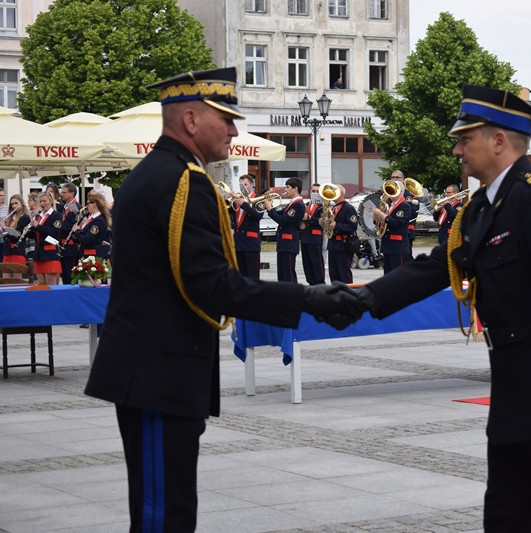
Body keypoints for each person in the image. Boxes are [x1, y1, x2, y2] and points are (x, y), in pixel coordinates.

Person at [83, 67, 361, 532]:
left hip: (158, 370)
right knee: (162, 517)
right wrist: (312, 298)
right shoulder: (181, 181)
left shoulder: (163, 173)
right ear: (191, 119)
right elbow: (212, 285)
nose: (234, 130)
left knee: (170, 509)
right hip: (158, 373)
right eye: (226, 119)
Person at [356, 85, 531, 532]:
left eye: (466, 139)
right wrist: (362, 298)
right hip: (515, 396)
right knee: (505, 521)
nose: (458, 148)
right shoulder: (483, 206)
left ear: (498, 141)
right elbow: (437, 266)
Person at [263, 177, 304, 282]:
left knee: (288, 275)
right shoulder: (291, 204)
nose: (285, 190)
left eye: (287, 187)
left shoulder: (298, 205)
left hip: (289, 243)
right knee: (282, 274)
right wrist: (270, 203)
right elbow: (278, 213)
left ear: (295, 189)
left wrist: (269, 208)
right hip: (284, 243)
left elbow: (282, 221)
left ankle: (293, 295)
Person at [370, 184, 410, 274]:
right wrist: (376, 219)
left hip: (397, 246)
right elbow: (383, 223)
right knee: (388, 276)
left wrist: (381, 214)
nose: (389, 194)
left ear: (399, 191)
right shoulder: (390, 205)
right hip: (388, 245)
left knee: (398, 276)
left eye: (392, 191)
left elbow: (396, 223)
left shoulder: (404, 206)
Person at [229, 173, 262, 278]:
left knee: (252, 275)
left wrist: (244, 204)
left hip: (251, 242)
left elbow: (258, 216)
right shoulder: (237, 199)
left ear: (252, 185)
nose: (243, 187)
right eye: (241, 185)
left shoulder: (258, 199)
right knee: (240, 275)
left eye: (245, 184)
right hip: (238, 242)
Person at [326, 184, 358, 283]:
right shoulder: (333, 208)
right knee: (333, 274)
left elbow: (353, 226)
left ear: (341, 193)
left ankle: (348, 296)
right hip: (333, 245)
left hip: (343, 246)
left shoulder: (348, 208)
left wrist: (337, 226)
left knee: (344, 274)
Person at [30, 191, 62, 286]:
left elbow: (55, 233)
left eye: (44, 201)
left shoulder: (56, 215)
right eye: (41, 201)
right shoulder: (39, 216)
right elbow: (36, 234)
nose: (42, 204)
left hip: (50, 253)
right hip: (39, 253)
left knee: (51, 284)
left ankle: (53, 301)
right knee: (41, 284)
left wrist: (38, 226)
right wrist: (29, 231)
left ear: (51, 201)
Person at [71, 192, 112, 259]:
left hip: (92, 255)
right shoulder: (91, 218)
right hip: (86, 253)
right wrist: (77, 234)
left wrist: (77, 231)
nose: (87, 206)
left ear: (95, 204)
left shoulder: (98, 220)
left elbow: (87, 239)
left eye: (88, 203)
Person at [1, 193, 31, 278]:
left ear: (21, 203)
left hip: (18, 251)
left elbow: (16, 237)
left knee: (16, 279)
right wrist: (2, 231)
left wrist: (4, 227)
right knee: (6, 279)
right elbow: (8, 235)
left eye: (16, 203)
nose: (14, 206)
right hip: (7, 251)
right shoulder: (11, 218)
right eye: (12, 204)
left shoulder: (25, 217)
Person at [301, 183, 325, 284]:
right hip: (305, 237)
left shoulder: (322, 206)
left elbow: (323, 222)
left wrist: (310, 219)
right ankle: (310, 282)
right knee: (307, 263)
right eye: (313, 191)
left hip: (315, 237)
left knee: (317, 263)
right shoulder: (306, 205)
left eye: (317, 191)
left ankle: (319, 283)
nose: (315, 193)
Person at [391, 170, 418, 261]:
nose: (395, 179)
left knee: (406, 257)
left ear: (403, 180)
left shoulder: (408, 193)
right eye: (393, 177)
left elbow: (413, 212)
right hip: (391, 230)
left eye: (397, 177)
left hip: (406, 229)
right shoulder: (389, 193)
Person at [59, 182, 83, 284]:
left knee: (70, 273)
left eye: (64, 192)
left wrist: (58, 226)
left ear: (72, 193)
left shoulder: (77, 207)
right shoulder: (64, 206)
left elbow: (73, 225)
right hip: (62, 244)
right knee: (64, 274)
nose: (62, 194)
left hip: (71, 245)